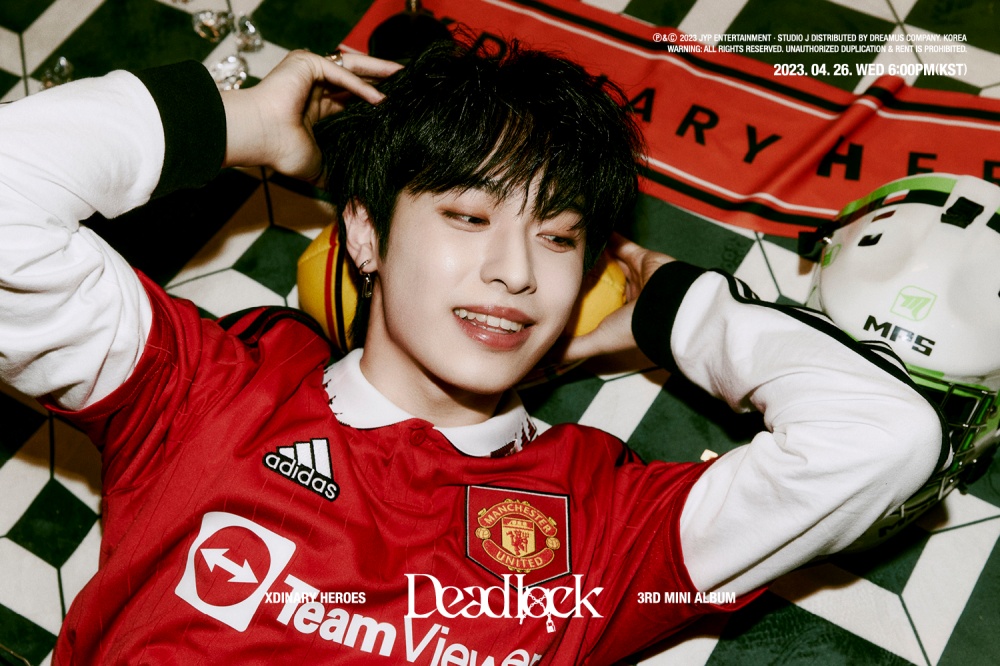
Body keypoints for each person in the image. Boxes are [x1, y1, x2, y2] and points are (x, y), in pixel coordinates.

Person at [0, 39, 946, 665]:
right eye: (467, 216)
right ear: (364, 233)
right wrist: (240, 121)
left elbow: (885, 439)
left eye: (559, 237)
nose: (516, 272)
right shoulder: (210, 391)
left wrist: (668, 301)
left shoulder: (604, 523)